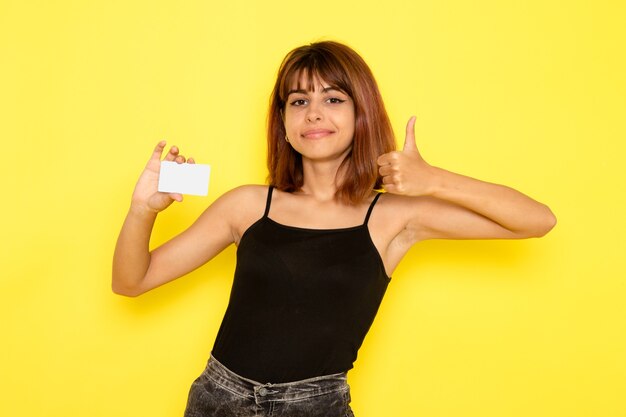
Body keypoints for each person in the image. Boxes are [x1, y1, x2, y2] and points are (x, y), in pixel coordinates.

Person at [112, 41, 556, 417]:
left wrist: (434, 180)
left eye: (333, 98)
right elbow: (132, 281)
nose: (313, 113)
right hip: (218, 400)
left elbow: (537, 221)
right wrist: (142, 210)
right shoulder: (246, 205)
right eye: (299, 101)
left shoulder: (393, 217)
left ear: (361, 114)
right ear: (283, 123)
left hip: (316, 406)